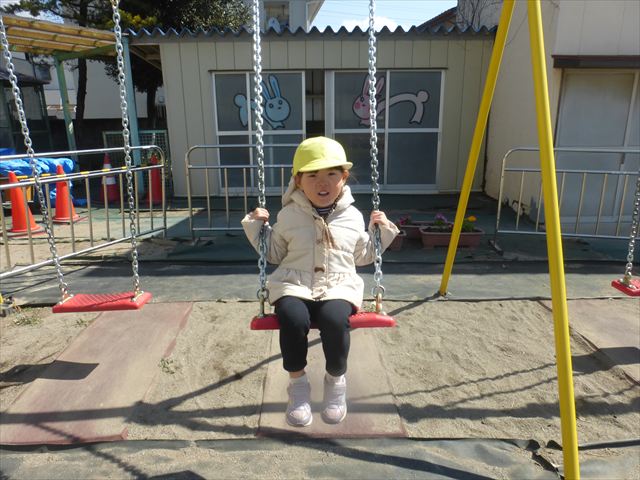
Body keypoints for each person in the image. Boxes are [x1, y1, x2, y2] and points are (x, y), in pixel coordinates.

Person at [242, 136, 399, 427]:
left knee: (335, 319)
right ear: (298, 181)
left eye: (331, 174)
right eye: (312, 175)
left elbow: (363, 256)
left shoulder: (352, 216)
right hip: (294, 283)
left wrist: (381, 233)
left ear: (344, 177)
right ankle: (298, 385)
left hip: (338, 285)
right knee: (292, 318)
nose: (322, 182)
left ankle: (335, 381)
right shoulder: (289, 215)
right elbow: (274, 253)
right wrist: (257, 228)